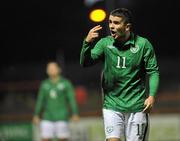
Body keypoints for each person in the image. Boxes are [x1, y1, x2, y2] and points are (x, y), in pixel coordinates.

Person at [80, 8, 159, 141]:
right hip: (112, 106)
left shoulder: (143, 44)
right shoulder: (105, 43)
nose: (111, 26)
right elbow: (85, 62)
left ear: (127, 26)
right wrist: (87, 43)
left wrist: (151, 96)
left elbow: (153, 72)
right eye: (110, 22)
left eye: (116, 23)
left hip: (137, 107)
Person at [32, 62, 79, 141]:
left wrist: (75, 113)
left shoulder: (65, 83)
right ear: (47, 71)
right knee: (45, 138)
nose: (51, 70)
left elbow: (72, 100)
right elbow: (40, 100)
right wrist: (36, 114)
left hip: (62, 117)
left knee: (62, 139)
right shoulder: (44, 84)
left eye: (53, 68)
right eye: (49, 69)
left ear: (58, 70)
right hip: (47, 117)